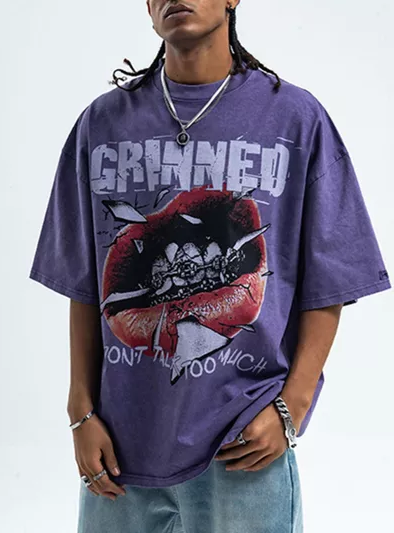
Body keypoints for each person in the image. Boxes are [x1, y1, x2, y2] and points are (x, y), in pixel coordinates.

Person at [29, 1, 391, 532]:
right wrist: (80, 412)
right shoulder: (101, 124)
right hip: (119, 451)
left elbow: (330, 279)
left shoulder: (295, 119)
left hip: (243, 445)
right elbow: (84, 284)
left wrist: (291, 408)